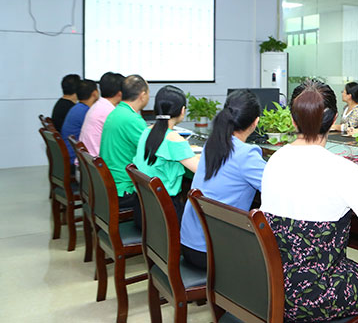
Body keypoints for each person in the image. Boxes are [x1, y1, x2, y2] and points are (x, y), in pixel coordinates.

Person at [261, 80, 358, 323]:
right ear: (334, 118)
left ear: (293, 120)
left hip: (272, 281)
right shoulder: (342, 169)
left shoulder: (274, 160)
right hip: (316, 291)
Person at [181, 90, 266, 270]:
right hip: (213, 252)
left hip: (190, 243)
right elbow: (276, 188)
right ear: (256, 121)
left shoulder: (213, 143)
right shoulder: (247, 154)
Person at [132, 85, 199, 228]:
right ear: (182, 110)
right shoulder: (174, 140)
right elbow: (202, 170)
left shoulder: (146, 132)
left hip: (142, 212)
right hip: (165, 216)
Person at [99, 75, 149, 210]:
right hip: (124, 189)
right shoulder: (132, 119)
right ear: (143, 95)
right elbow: (153, 150)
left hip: (110, 184)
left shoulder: (116, 112)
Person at [80, 72, 124, 156]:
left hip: (88, 159)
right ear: (120, 93)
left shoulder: (98, 105)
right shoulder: (110, 112)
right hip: (98, 160)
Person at [61, 79, 99, 165]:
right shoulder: (86, 112)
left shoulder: (77, 108)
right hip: (76, 158)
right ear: (95, 93)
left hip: (71, 154)